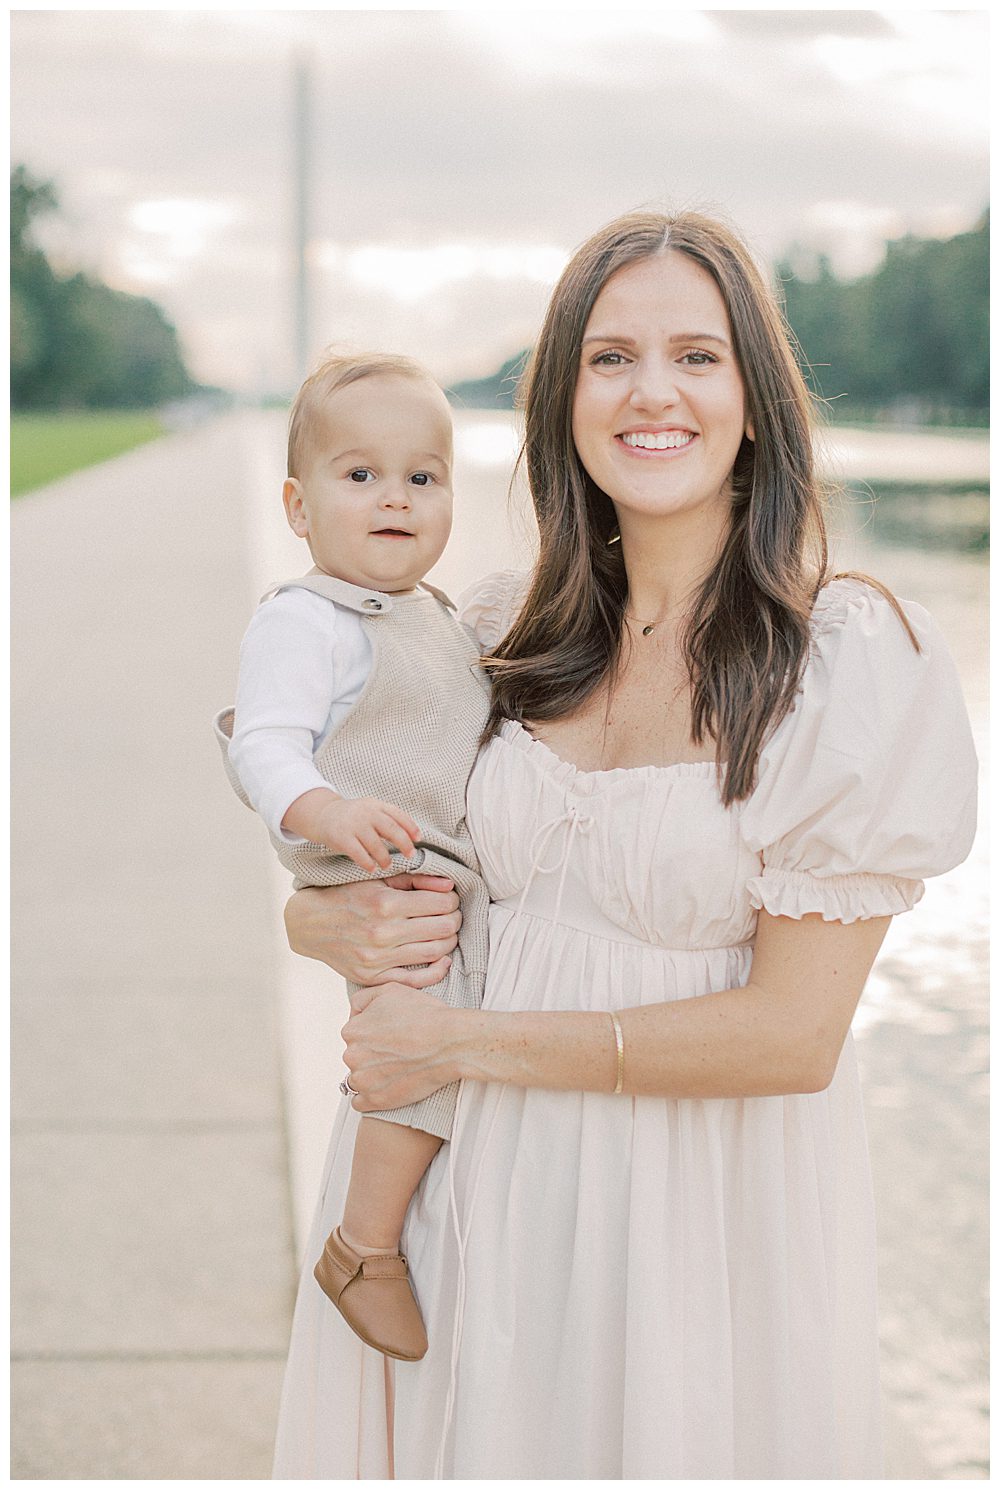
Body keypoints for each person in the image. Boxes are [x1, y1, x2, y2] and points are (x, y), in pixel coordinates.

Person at [270, 212, 978, 1479]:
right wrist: (317, 921)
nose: (653, 392)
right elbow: (374, 866)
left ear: (756, 402)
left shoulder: (849, 657)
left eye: (697, 357)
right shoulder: (482, 631)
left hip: (692, 1232)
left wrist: (461, 1038)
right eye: (609, 358)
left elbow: (792, 1034)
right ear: (562, 401)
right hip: (453, 1201)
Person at [214, 352, 491, 1364]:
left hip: (436, 876)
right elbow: (264, 746)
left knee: (449, 1053)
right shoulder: (307, 619)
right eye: (360, 475)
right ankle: (361, 1246)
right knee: (414, 1064)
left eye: (423, 477)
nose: (395, 498)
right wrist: (326, 810)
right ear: (296, 504)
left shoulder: (439, 613)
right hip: (373, 876)